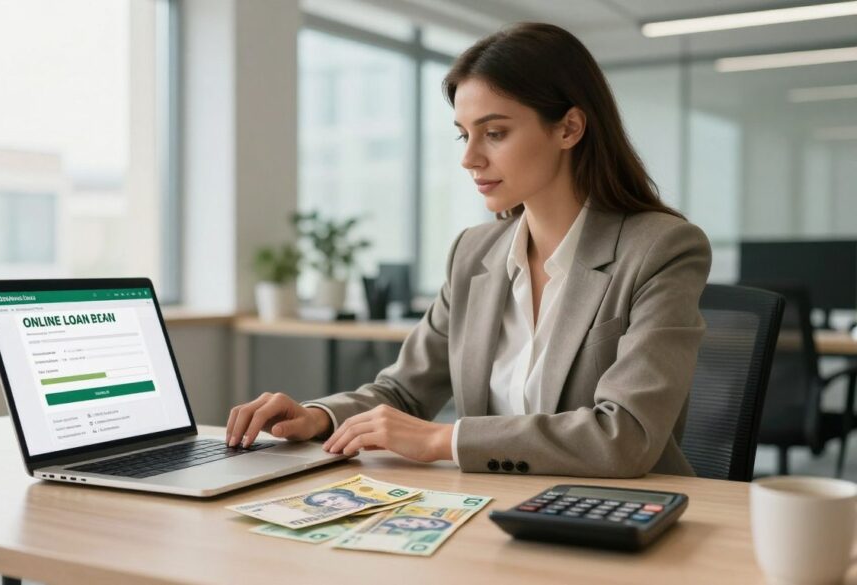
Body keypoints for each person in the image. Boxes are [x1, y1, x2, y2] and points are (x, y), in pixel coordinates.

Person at [225, 22, 711, 478]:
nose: (468, 158)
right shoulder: (473, 252)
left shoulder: (660, 248)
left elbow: (626, 434)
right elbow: (403, 391)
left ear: (569, 128)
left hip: (620, 516)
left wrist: (446, 440)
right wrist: (317, 416)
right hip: (493, 511)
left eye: (494, 133)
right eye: (464, 134)